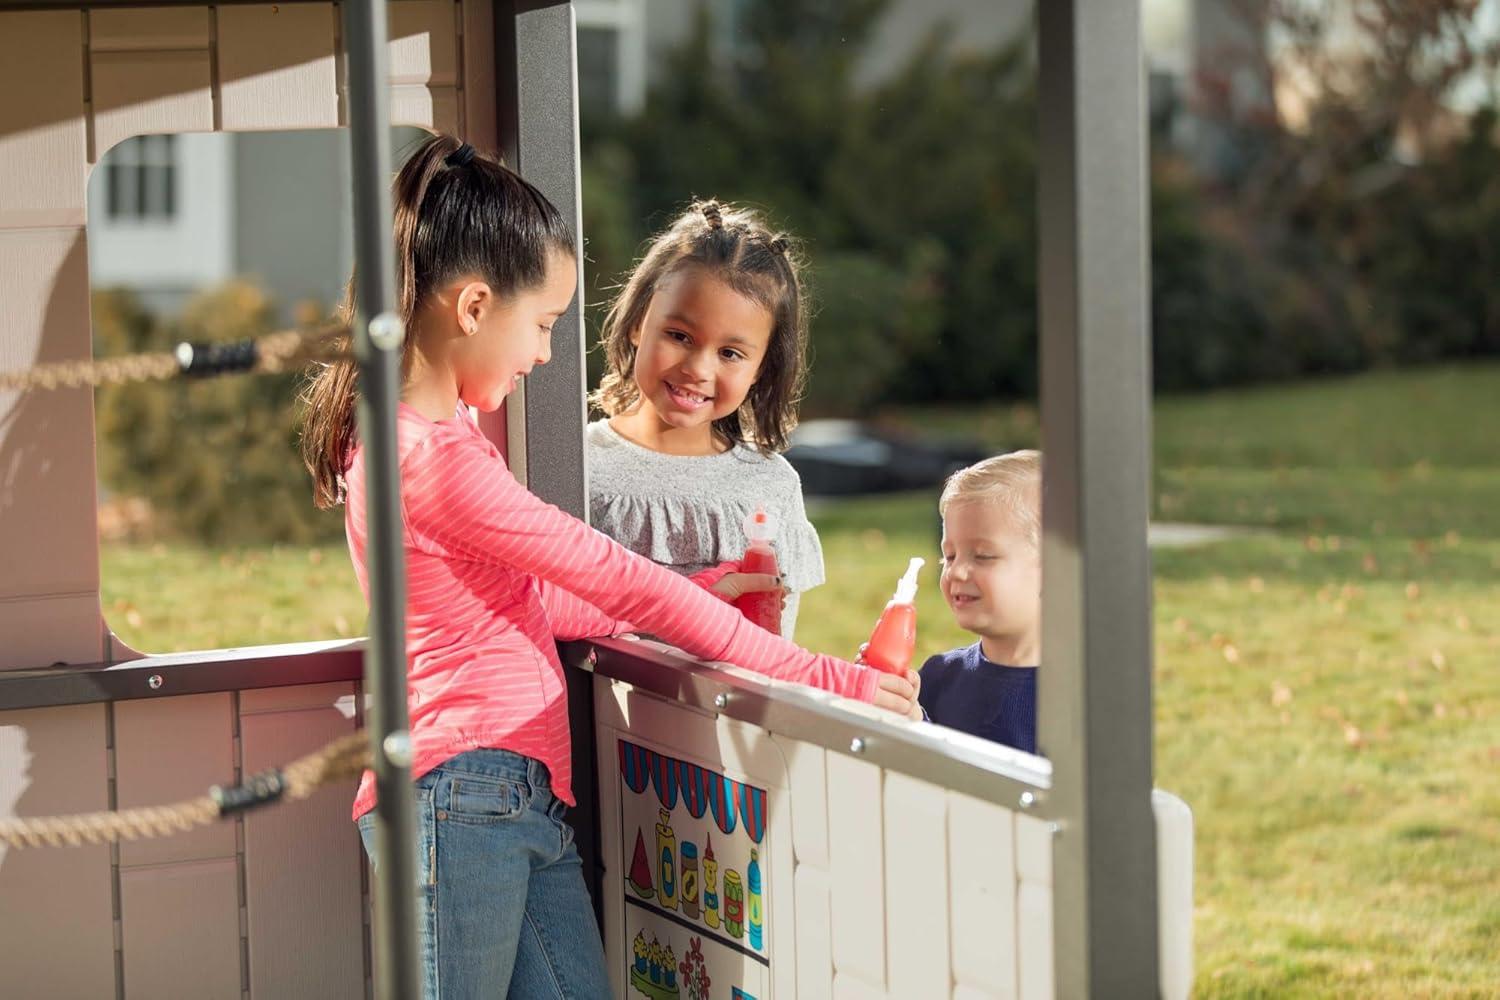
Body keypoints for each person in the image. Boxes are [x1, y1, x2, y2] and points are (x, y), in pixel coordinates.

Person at [300, 135, 918, 999]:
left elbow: (539, 599)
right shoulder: (433, 461)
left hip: (513, 792)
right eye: (543, 324)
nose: (547, 354)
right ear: (475, 306)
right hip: (462, 794)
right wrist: (828, 679)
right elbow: (619, 579)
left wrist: (703, 596)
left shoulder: (431, 440)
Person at [587, 200, 821, 638]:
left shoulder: (772, 486)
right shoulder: (580, 465)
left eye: (730, 353)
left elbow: (777, 645)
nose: (698, 368)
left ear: (761, 370)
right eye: (679, 336)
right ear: (639, 322)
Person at [918, 450, 1042, 754]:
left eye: (983, 556)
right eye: (949, 556)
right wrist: (903, 718)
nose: (956, 570)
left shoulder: (1087, 699)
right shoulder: (938, 678)